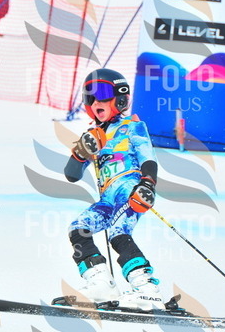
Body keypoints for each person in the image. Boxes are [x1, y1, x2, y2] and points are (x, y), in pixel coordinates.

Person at [62, 68, 165, 311]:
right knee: (78, 229)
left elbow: (148, 159)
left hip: (131, 193)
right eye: (90, 97)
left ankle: (147, 289)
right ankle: (100, 284)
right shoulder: (94, 135)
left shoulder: (132, 127)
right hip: (107, 201)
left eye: (103, 94)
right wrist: (81, 153)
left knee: (119, 232)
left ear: (120, 97)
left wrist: (147, 184)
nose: (96, 102)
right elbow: (72, 175)